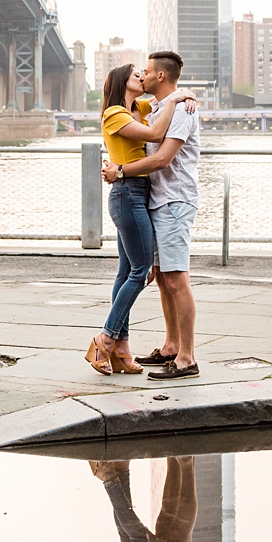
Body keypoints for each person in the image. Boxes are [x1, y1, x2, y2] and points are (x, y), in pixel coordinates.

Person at [86, 64, 196, 376]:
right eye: (135, 73)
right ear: (122, 81)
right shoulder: (115, 113)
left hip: (140, 193)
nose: (141, 76)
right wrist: (177, 99)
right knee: (142, 270)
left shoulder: (142, 106)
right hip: (127, 194)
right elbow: (155, 132)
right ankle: (105, 339)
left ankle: (121, 349)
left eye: (144, 71)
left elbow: (164, 99)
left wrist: (186, 96)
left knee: (126, 272)